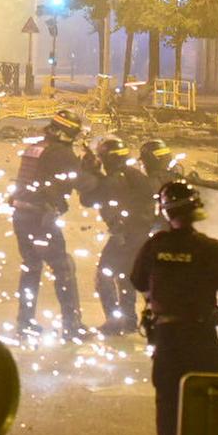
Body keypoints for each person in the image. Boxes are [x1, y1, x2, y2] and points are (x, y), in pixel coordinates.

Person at [131, 180, 218, 435]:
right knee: (215, 398)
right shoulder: (210, 248)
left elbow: (137, 280)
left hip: (167, 335)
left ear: (166, 211)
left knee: (167, 402)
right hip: (201, 335)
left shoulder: (155, 245)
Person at [8, 109, 87, 340]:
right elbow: (82, 182)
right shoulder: (60, 153)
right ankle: (72, 327)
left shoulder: (36, 147)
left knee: (31, 267)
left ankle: (24, 322)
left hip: (21, 215)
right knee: (63, 268)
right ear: (66, 133)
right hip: (40, 218)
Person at [81, 137, 155, 335]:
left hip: (126, 234)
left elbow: (88, 199)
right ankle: (129, 320)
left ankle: (115, 322)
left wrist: (91, 172)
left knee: (104, 275)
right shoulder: (133, 174)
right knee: (125, 276)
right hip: (140, 234)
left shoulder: (115, 179)